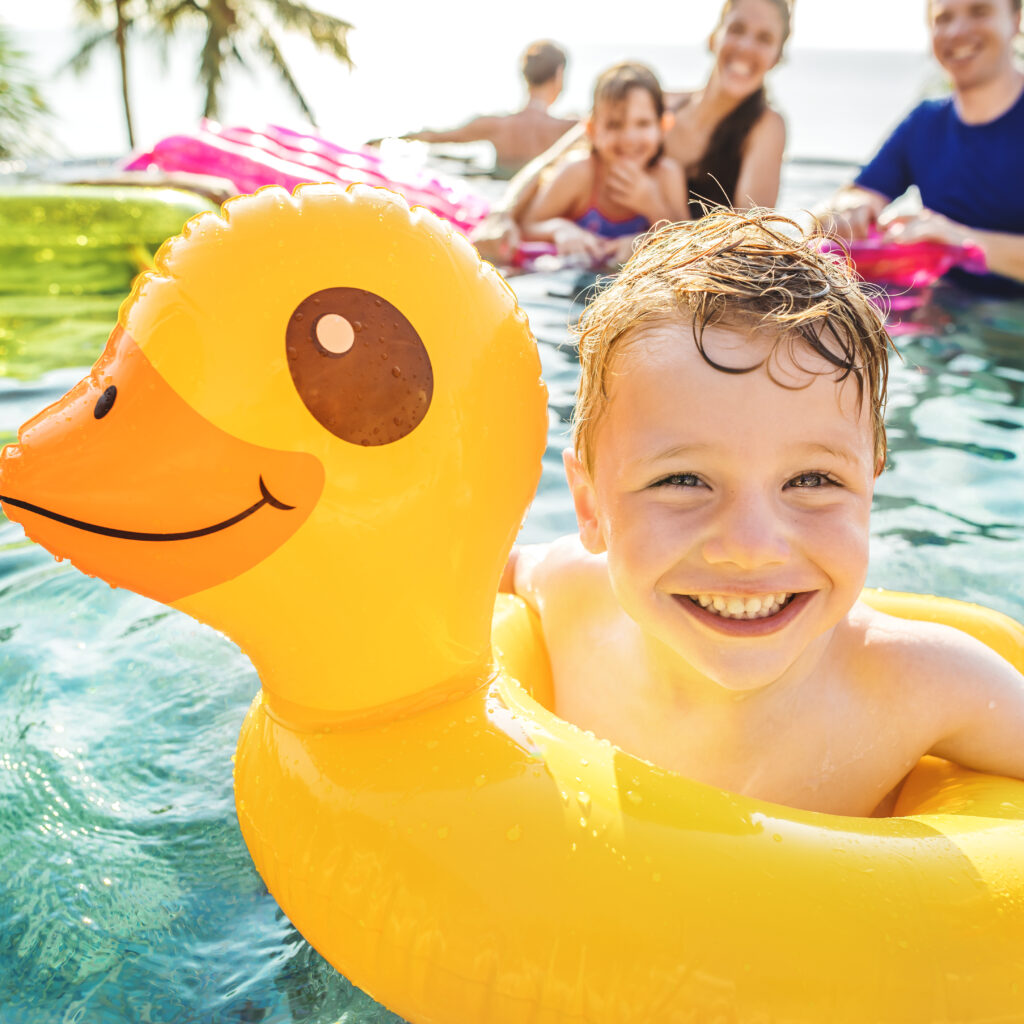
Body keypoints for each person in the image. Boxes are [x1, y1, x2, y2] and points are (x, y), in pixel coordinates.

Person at [499, 210, 1024, 818]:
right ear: (590, 507)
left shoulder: (924, 684)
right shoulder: (569, 597)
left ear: (870, 489)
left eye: (812, 480)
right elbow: (466, 578)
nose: (750, 546)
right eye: (683, 480)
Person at [472, 0, 790, 263]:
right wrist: (502, 213)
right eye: (736, 29)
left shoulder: (765, 126)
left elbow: (748, 242)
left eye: (764, 38)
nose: (746, 46)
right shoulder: (660, 106)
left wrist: (647, 240)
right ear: (713, 37)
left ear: (777, 56)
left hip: (674, 268)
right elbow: (552, 160)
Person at [816, 0, 1024, 295]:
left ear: (1015, 20)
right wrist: (850, 210)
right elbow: (854, 196)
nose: (958, 31)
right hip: (945, 318)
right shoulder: (925, 123)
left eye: (979, 11)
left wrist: (961, 241)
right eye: (944, 18)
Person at [518, 62, 687, 268]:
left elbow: (685, 239)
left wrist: (652, 207)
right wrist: (561, 230)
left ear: (663, 126)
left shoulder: (666, 175)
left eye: (642, 123)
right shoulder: (580, 173)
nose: (629, 138)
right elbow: (527, 224)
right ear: (591, 129)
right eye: (614, 125)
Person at [399, 40, 577, 178]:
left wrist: (388, 139)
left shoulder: (495, 125)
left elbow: (435, 136)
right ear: (559, 74)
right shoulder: (570, 130)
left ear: (525, 75)